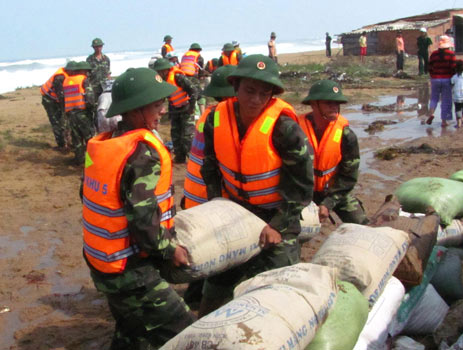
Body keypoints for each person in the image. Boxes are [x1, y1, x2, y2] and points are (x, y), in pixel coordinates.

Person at [82, 67, 196, 349]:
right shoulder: (141, 154)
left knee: (134, 331)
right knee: (184, 330)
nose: (162, 112)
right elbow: (143, 220)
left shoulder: (104, 145)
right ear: (135, 109)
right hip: (129, 271)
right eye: (157, 106)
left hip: (102, 262)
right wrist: (171, 251)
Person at [199, 54, 314, 316]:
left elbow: (302, 183)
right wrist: (217, 205)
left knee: (278, 283)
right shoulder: (215, 119)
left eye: (264, 93)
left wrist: (279, 224)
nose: (256, 99)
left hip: (278, 213)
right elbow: (209, 166)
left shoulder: (285, 128)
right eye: (249, 91)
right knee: (217, 283)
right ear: (235, 87)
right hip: (235, 210)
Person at [181, 65, 236, 308]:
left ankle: (193, 297)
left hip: (192, 197)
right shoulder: (223, 119)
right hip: (207, 199)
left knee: (202, 253)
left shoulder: (208, 115)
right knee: (220, 258)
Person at [298, 80, 368, 225]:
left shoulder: (346, 135)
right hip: (301, 193)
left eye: (337, 103)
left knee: (361, 224)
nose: (334, 107)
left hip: (333, 191)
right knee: (289, 232)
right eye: (328, 103)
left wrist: (328, 203)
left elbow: (348, 177)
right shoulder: (295, 131)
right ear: (313, 104)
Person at [153, 58, 199, 163]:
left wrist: (191, 107)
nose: (159, 73)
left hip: (186, 108)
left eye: (160, 71)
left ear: (166, 70)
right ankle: (179, 157)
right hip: (175, 110)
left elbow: (193, 90)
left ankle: (193, 159)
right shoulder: (161, 81)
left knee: (187, 136)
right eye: (157, 71)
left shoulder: (178, 77)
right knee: (175, 135)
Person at [63, 61, 96, 165]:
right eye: (86, 71)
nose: (87, 73)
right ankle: (91, 162)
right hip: (83, 114)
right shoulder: (84, 80)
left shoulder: (66, 81)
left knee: (76, 138)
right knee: (89, 138)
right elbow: (90, 99)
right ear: (82, 70)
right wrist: (93, 110)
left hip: (70, 114)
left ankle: (79, 159)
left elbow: (64, 98)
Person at [426, 35, 456, 127]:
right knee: (446, 100)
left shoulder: (434, 54)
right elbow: (453, 68)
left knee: (434, 98)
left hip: (435, 79)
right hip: (447, 79)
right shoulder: (451, 54)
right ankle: (444, 121)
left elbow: (429, 67)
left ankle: (431, 114)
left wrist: (433, 76)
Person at [40, 62, 70, 152]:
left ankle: (67, 142)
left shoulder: (68, 75)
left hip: (56, 99)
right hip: (49, 100)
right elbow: (61, 97)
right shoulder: (59, 78)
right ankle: (61, 145)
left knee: (63, 121)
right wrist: (66, 110)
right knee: (56, 121)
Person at [451, 60, 463, 128]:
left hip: (457, 95)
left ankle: (459, 122)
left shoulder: (454, 77)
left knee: (458, 108)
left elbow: (452, 83)